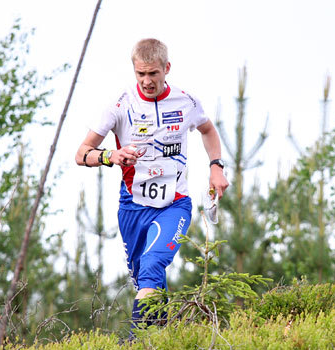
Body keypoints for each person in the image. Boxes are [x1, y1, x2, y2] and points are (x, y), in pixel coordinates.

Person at [75, 38, 229, 330]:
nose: (147, 81)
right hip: (133, 208)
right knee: (147, 281)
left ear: (166, 68)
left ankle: (137, 339)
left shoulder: (186, 102)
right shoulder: (120, 106)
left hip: (174, 204)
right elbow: (81, 154)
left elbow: (208, 131)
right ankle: (162, 337)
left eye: (153, 74)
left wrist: (216, 168)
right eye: (140, 74)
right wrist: (111, 155)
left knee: (153, 265)